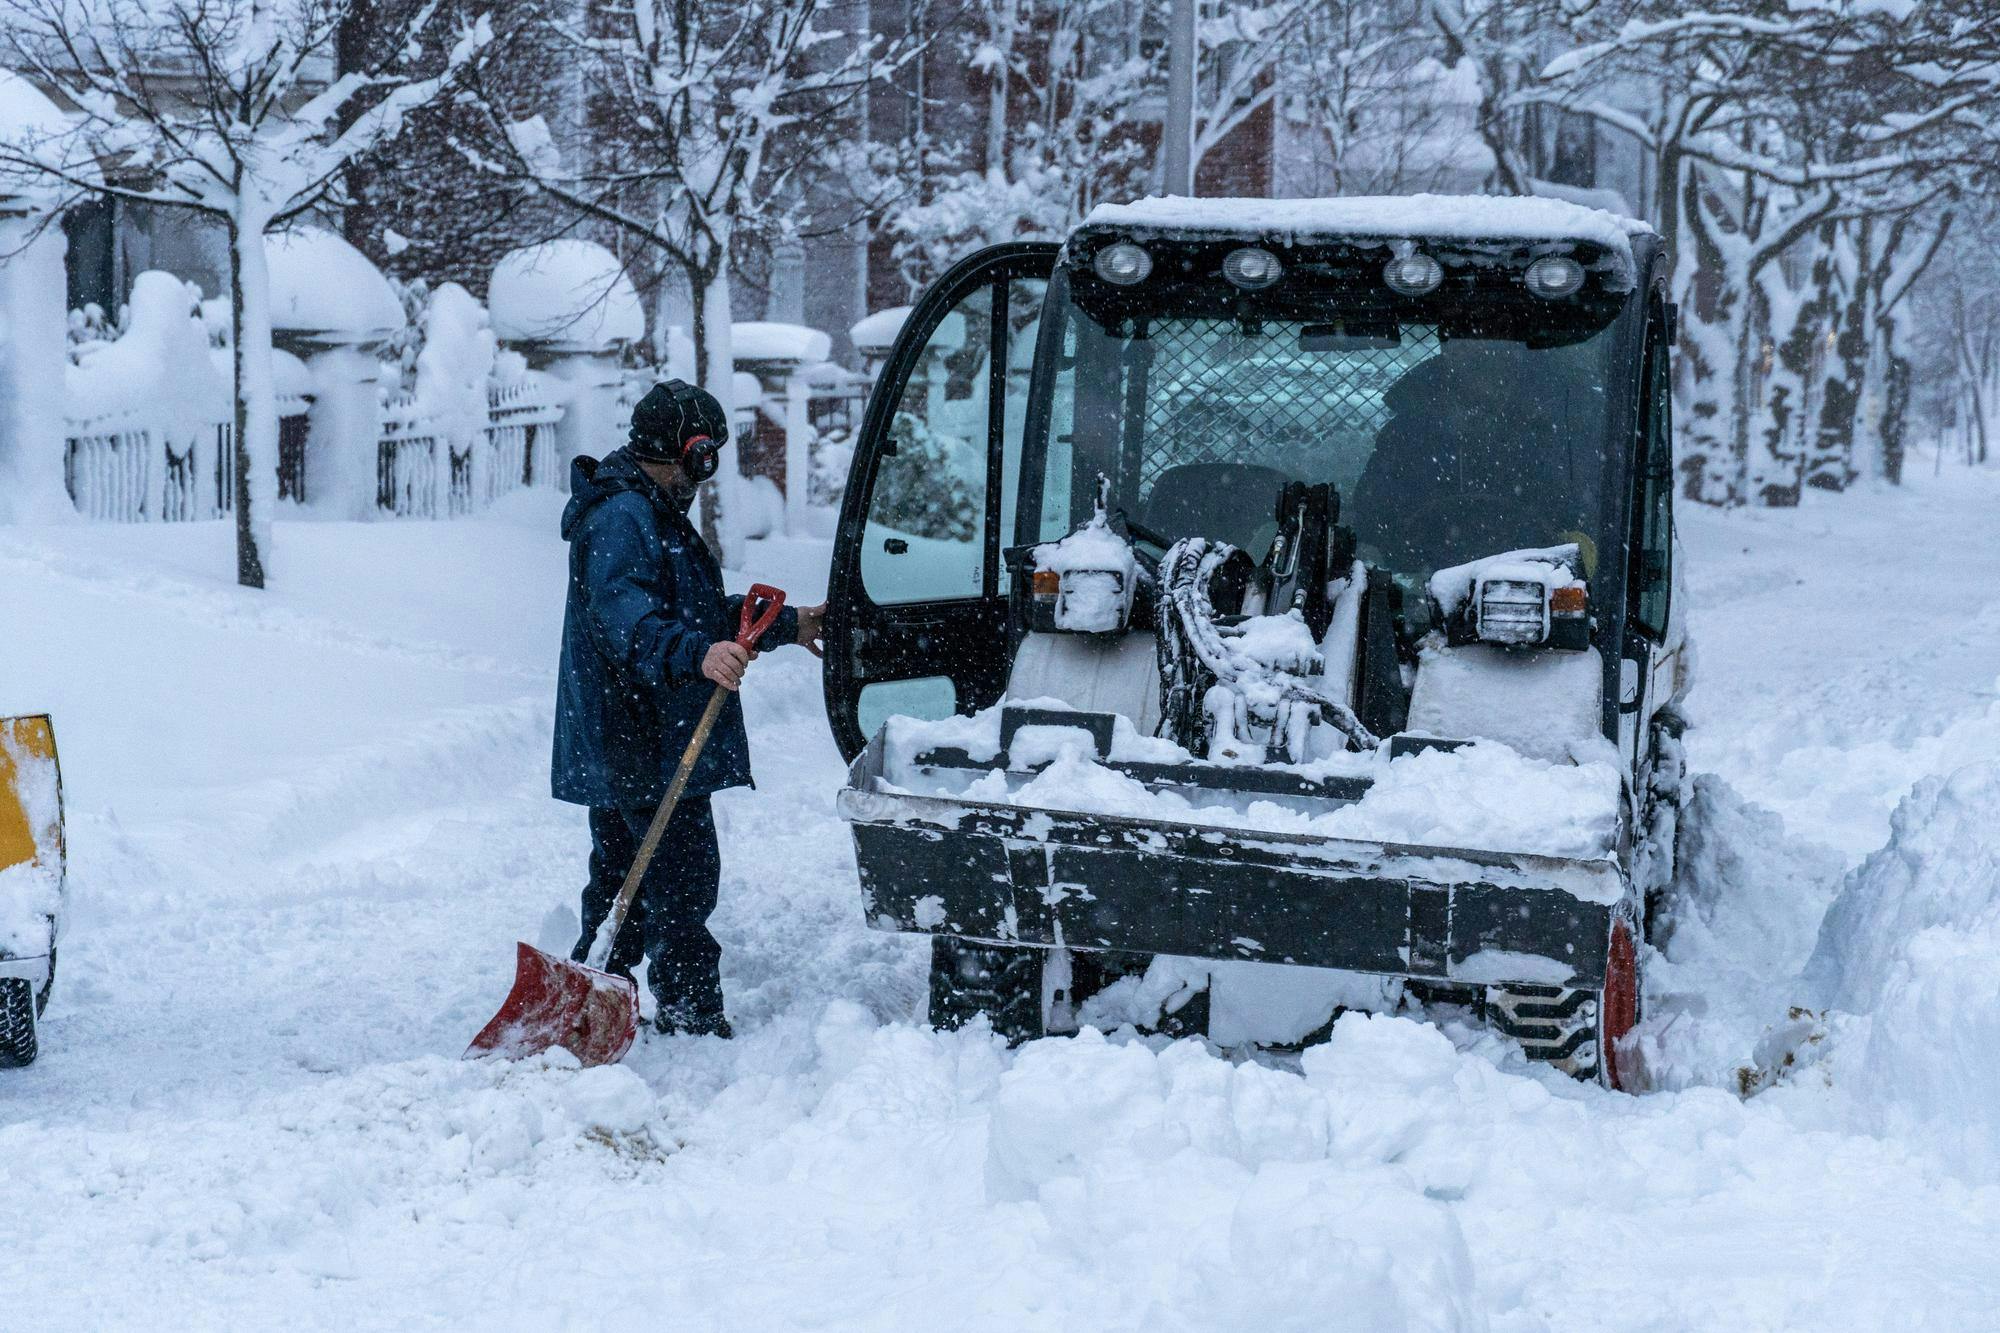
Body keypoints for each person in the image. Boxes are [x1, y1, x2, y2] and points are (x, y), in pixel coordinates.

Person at [551, 379, 825, 1037]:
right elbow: (628, 622)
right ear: (693, 453)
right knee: (680, 881)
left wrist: (790, 625)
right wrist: (696, 656)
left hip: (637, 734)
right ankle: (691, 1015)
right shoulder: (625, 517)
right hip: (642, 735)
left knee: (624, 876)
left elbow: (694, 611)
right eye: (710, 458)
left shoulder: (644, 509)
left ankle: (589, 1001)